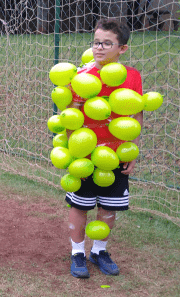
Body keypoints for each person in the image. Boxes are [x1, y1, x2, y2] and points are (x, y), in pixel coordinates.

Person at [66, 19, 143, 278]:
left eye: (107, 43)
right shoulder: (81, 76)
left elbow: (136, 114)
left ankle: (99, 251)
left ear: (122, 48)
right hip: (85, 156)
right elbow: (71, 118)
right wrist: (75, 156)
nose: (99, 48)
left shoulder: (132, 76)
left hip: (117, 155)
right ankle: (77, 253)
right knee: (80, 206)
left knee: (109, 207)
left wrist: (133, 150)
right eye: (96, 42)